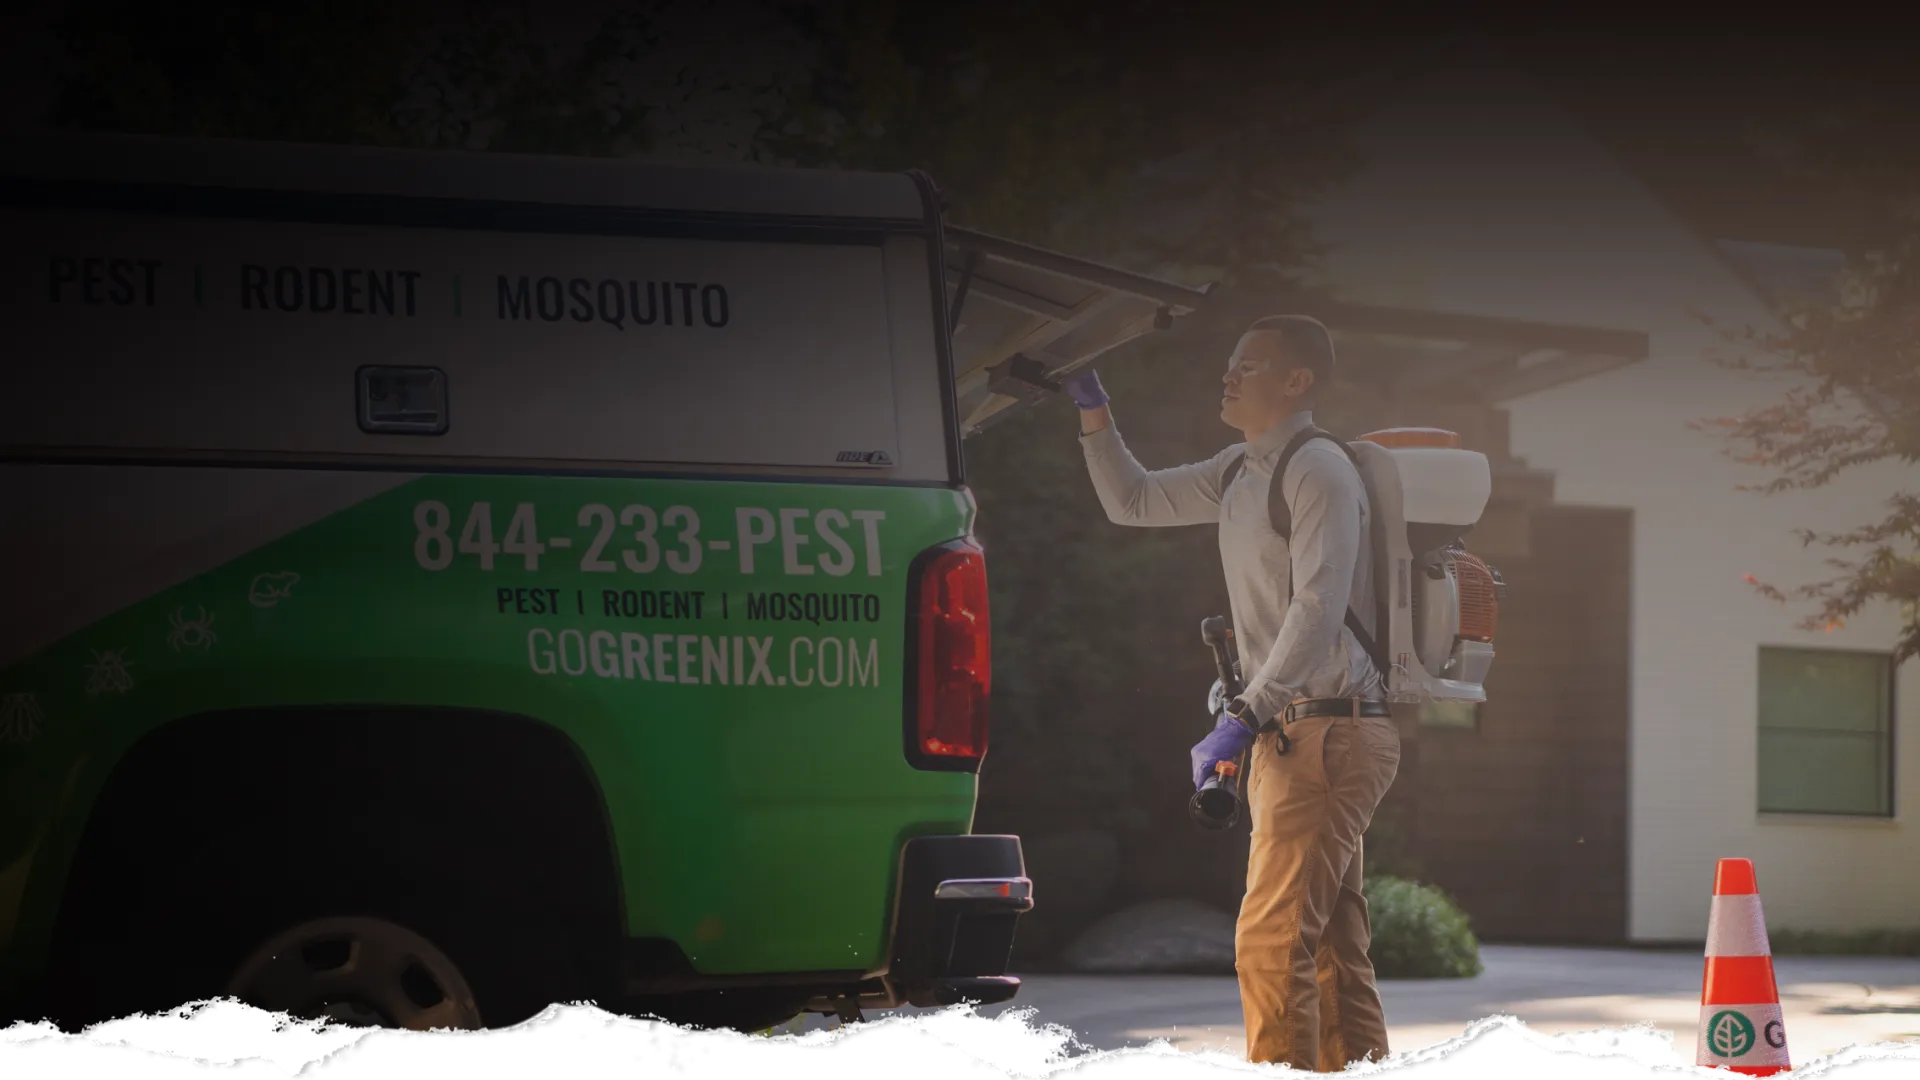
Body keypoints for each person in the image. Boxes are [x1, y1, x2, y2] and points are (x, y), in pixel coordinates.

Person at [1063, 315, 1400, 1072]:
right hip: (1295, 732)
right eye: (1230, 365)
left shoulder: (1318, 469)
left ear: (1296, 381)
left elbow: (1317, 605)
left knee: (1271, 943)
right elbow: (1135, 502)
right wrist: (1094, 412)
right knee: (1330, 951)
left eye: (1248, 366)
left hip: (1327, 732)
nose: (1230, 376)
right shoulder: (1242, 468)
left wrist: (1244, 714)